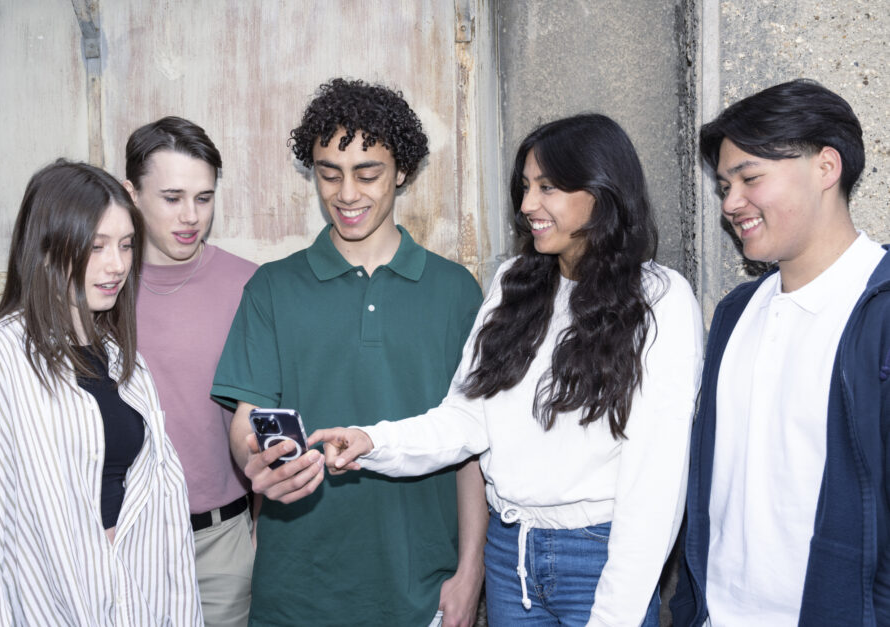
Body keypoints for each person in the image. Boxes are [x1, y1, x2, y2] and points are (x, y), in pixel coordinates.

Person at [312, 113, 704, 626]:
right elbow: (467, 420)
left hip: (599, 557)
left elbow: (657, 481)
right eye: (524, 187)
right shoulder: (515, 282)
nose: (526, 206)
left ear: (602, 191)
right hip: (508, 556)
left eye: (547, 188)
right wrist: (373, 441)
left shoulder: (659, 298)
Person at [211, 78, 487, 627]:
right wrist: (255, 461)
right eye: (328, 173)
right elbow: (246, 419)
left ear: (402, 171)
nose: (346, 194)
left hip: (423, 590)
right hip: (297, 591)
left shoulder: (457, 290)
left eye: (368, 173)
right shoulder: (272, 288)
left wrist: (470, 573)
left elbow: (473, 442)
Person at [670, 78, 890, 626]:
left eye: (750, 178)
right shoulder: (735, 312)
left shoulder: (880, 312)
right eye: (724, 185)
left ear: (826, 167)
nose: (731, 203)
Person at [0, 160, 201, 625]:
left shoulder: (127, 361)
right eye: (96, 246)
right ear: (46, 248)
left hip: (137, 600)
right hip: (50, 606)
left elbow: (165, 517)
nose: (118, 265)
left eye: (126, 246)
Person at [123, 116, 257, 627]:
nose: (191, 216)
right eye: (173, 197)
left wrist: (258, 536)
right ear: (131, 193)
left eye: (204, 198)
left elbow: (268, 419)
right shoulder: (100, 288)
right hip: (123, 539)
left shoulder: (251, 285)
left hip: (222, 543)